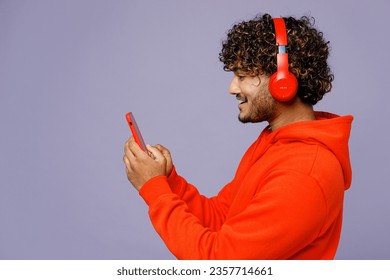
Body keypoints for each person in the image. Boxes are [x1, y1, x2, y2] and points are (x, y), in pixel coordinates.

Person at [123, 13, 353, 260]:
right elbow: (222, 218)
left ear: (283, 81)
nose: (232, 88)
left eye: (242, 76)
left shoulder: (305, 173)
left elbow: (218, 264)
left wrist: (153, 188)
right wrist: (169, 181)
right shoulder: (274, 142)